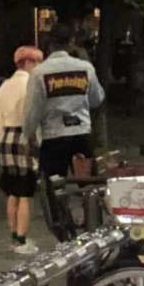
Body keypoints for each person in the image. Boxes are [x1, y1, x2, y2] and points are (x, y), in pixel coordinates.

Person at [24, 35, 108, 181]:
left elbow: (33, 109)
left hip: (53, 136)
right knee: (88, 184)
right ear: (71, 43)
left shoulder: (39, 72)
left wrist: (29, 135)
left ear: (50, 46)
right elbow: (97, 99)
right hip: (81, 134)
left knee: (54, 185)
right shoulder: (85, 68)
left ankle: (59, 195)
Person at [0, 44, 44, 253]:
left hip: (7, 137)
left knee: (12, 191)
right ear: (28, 62)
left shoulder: (4, 86)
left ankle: (13, 235)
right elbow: (34, 116)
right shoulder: (31, 85)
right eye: (38, 62)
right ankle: (22, 239)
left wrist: (2, 139)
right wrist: (39, 142)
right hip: (25, 137)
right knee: (25, 192)